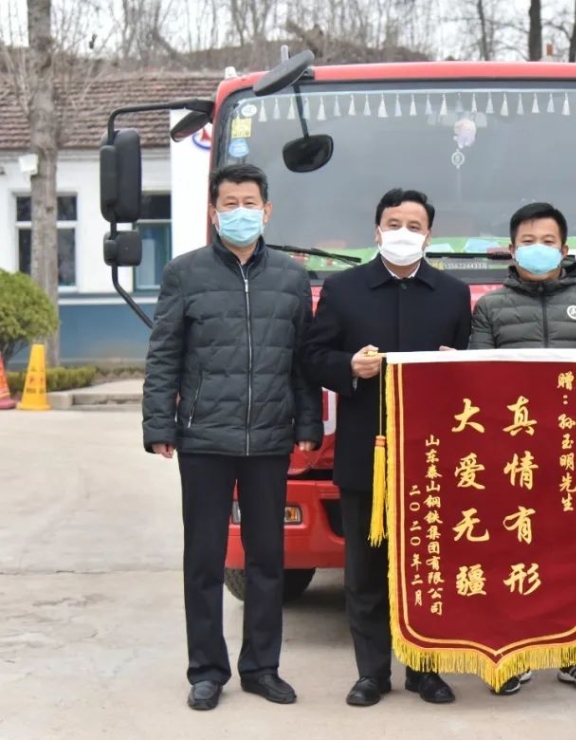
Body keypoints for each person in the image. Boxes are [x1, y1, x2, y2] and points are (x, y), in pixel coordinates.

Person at [142, 163, 324, 711]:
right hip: (203, 440)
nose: (240, 212)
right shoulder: (185, 273)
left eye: (249, 203)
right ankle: (206, 670)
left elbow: (302, 362)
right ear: (213, 211)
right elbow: (164, 354)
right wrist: (159, 424)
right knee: (204, 559)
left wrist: (308, 424)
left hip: (269, 439)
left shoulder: (291, 278)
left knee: (267, 559)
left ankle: (262, 668)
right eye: (230, 203)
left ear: (266, 211)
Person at [302, 188, 472, 708]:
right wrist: (349, 367)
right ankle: (372, 673)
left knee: (428, 565)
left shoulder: (451, 293)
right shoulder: (344, 289)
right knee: (366, 570)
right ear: (377, 232)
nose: (403, 233)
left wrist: (457, 364)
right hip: (366, 453)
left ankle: (426, 670)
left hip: (433, 454)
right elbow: (313, 356)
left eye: (414, 226)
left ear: (429, 235)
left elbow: (473, 365)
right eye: (394, 224)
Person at [469, 202, 576, 697]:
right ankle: (514, 654)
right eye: (529, 242)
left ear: (564, 248)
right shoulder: (490, 308)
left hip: (572, 449)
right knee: (511, 550)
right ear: (512, 250)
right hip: (510, 452)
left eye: (548, 241)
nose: (539, 249)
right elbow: (477, 377)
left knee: (573, 552)